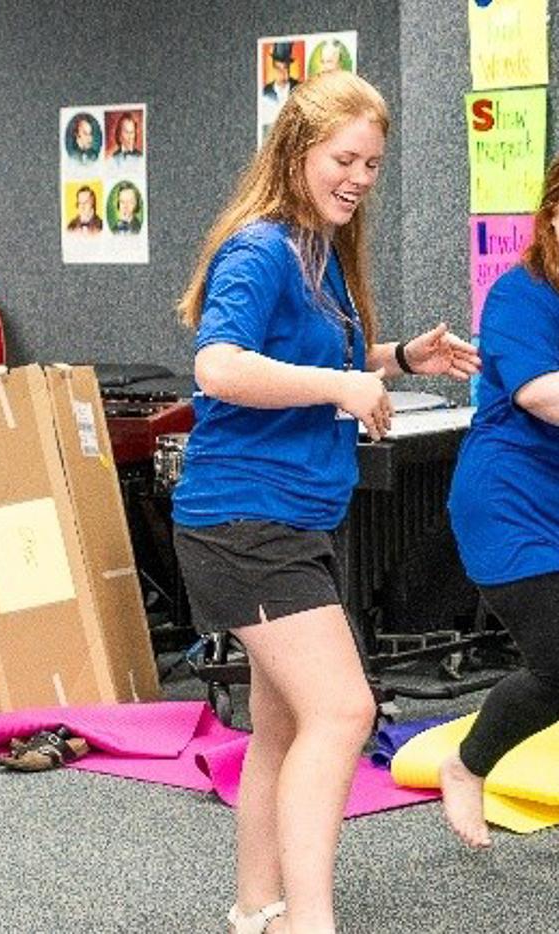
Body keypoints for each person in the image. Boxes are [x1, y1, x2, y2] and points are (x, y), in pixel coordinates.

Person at [171, 72, 478, 934]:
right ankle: (309, 922)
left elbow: (312, 357)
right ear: (298, 152)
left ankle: (254, 909)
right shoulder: (262, 248)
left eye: (375, 165)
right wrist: (342, 385)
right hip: (245, 521)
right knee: (343, 712)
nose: (360, 178)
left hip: (296, 518)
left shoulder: (319, 251)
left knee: (283, 728)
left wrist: (396, 359)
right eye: (346, 159)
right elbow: (219, 366)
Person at [441, 154, 559, 850]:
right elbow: (543, 394)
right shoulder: (519, 295)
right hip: (509, 503)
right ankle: (467, 765)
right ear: (552, 215)